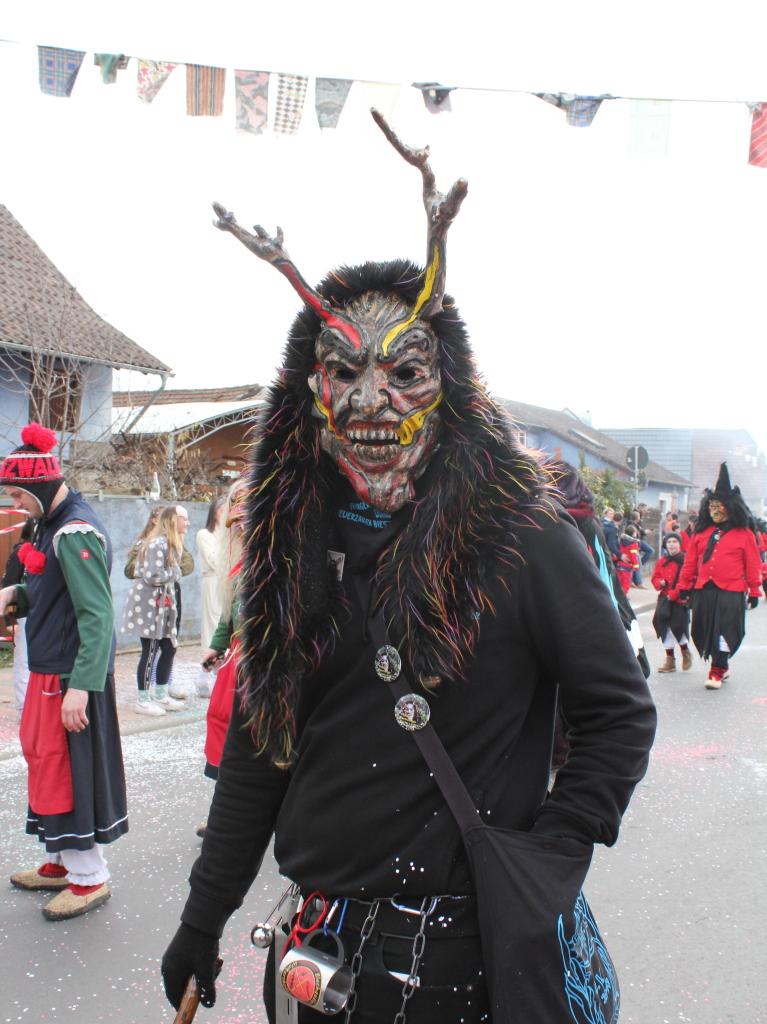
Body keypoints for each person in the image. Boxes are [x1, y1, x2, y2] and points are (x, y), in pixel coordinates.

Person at [161, 116, 656, 1022]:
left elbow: (617, 711)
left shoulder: (521, 537)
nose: (368, 401)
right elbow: (260, 752)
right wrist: (203, 918)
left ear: (449, 390)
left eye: (405, 373)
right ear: (306, 400)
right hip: (318, 957)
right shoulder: (288, 549)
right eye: (340, 372)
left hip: (464, 960)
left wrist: (551, 849)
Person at [0, 423, 127, 921]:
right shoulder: (52, 524)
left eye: (15, 493)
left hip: (70, 677)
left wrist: (81, 688)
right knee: (44, 762)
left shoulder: (75, 530)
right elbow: (53, 591)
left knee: (65, 771)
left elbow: (98, 616)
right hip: (51, 671)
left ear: (36, 486)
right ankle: (58, 859)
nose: (13, 502)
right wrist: (17, 595)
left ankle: (89, 877)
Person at [678, 463, 762, 690]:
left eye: (719, 506)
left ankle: (717, 668)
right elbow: (690, 563)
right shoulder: (701, 532)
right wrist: (684, 587)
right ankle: (721, 666)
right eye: (711, 506)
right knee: (702, 628)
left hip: (731, 590)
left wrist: (755, 590)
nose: (714, 510)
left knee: (726, 629)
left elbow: (753, 564)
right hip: (704, 589)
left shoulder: (744, 534)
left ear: (731, 507)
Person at [195, 482, 247, 838]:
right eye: (236, 523)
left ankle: (245, 816)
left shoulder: (282, 559)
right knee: (222, 725)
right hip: (238, 661)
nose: (241, 529)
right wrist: (217, 645)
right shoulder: (238, 560)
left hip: (266, 665)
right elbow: (231, 613)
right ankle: (228, 813)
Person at [121, 504, 190, 716]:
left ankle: (161, 694)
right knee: (150, 650)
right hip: (149, 603)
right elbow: (152, 576)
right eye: (183, 519)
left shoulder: (170, 543)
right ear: (172, 521)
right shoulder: (155, 543)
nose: (187, 523)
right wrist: (175, 573)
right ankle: (143, 700)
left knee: (169, 648)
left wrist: (172, 573)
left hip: (163, 602)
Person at [1, 517, 35, 710]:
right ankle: (24, 705)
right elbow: (8, 585)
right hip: (22, 614)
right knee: (23, 660)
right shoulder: (19, 553)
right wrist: (10, 619)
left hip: (39, 613)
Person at [194, 496, 225, 698]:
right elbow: (214, 561)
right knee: (213, 629)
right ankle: (203, 676)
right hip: (214, 582)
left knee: (225, 629)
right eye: (222, 511)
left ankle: (217, 679)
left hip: (228, 582)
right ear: (214, 513)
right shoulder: (204, 534)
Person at [651, 531, 692, 673]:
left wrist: (675, 593)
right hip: (664, 599)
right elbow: (654, 578)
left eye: (674, 542)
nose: (671, 544)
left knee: (678, 627)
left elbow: (689, 579)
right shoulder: (662, 561)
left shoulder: (687, 560)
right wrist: (660, 583)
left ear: (679, 544)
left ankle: (685, 652)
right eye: (669, 542)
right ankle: (670, 661)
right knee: (663, 626)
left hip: (679, 599)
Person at [615, 524, 639, 594]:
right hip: (627, 565)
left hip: (619, 564)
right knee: (626, 583)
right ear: (634, 533)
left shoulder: (622, 541)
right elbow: (633, 556)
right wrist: (636, 566)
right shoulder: (634, 543)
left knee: (619, 582)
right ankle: (623, 597)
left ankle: (618, 595)